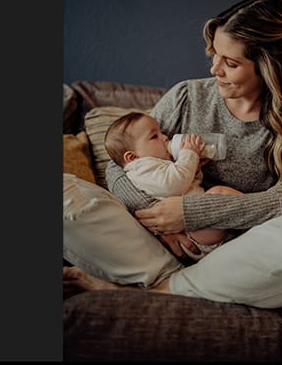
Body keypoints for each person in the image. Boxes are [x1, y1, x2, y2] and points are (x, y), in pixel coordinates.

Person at [63, 0, 282, 308]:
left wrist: (192, 213)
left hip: (236, 255)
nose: (215, 69)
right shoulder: (189, 96)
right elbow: (120, 165)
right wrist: (160, 217)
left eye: (231, 62)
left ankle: (157, 289)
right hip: (158, 245)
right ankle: (174, 281)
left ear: (270, 69)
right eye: (215, 55)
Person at [103, 111, 240, 260]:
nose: (165, 137)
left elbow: (185, 185)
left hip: (199, 223)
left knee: (219, 196)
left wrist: (194, 169)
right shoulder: (141, 168)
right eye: (154, 136)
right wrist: (188, 154)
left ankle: (252, 223)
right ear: (132, 157)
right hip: (190, 234)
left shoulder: (155, 163)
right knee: (219, 193)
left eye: (161, 132)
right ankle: (260, 220)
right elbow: (172, 185)